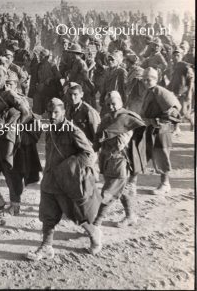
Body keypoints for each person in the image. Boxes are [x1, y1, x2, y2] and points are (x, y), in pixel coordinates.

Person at [26, 97, 101, 260]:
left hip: (66, 181)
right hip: (50, 179)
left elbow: (89, 154)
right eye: (50, 112)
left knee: (76, 213)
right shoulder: (50, 129)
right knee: (47, 214)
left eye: (56, 112)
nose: (52, 116)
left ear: (63, 112)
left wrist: (69, 167)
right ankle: (46, 246)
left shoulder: (73, 130)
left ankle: (94, 233)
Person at [0, 65, 33, 216]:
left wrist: (15, 128)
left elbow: (26, 112)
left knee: (10, 170)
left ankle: (15, 204)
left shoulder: (10, 94)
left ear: (5, 77)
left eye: (0, 76)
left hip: (9, 139)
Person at [93, 91, 147, 231]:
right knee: (120, 190)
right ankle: (130, 216)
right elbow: (98, 138)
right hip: (106, 160)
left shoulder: (127, 118)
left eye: (114, 103)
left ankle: (96, 223)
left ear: (121, 102)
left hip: (120, 161)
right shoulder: (106, 117)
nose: (111, 106)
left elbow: (116, 138)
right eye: (108, 104)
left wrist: (103, 137)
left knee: (107, 193)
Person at [140, 67, 182, 195]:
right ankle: (131, 181)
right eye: (144, 79)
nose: (146, 82)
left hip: (161, 131)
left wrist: (160, 121)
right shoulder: (149, 91)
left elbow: (175, 111)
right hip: (150, 129)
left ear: (156, 79)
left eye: (150, 79)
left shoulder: (160, 91)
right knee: (143, 154)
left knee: (161, 156)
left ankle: (165, 184)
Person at [29, 48, 62, 115]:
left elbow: (58, 76)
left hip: (51, 89)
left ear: (47, 57)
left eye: (42, 56)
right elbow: (33, 80)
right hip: (41, 89)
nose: (40, 58)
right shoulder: (37, 66)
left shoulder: (52, 65)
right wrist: (32, 91)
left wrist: (50, 79)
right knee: (36, 101)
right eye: (39, 56)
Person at [168, 48, 194, 131]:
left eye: (178, 55)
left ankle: (192, 121)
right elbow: (172, 79)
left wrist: (189, 93)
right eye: (174, 55)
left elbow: (191, 79)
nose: (176, 57)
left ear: (181, 56)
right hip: (174, 91)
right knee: (175, 110)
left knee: (183, 112)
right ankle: (176, 128)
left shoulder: (185, 65)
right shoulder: (173, 66)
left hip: (183, 92)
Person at [100, 50, 127, 115]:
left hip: (116, 100)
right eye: (109, 60)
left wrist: (124, 102)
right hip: (107, 98)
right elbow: (104, 86)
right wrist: (102, 97)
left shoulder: (121, 72)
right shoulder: (107, 71)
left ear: (117, 61)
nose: (110, 61)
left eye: (112, 60)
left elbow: (124, 89)